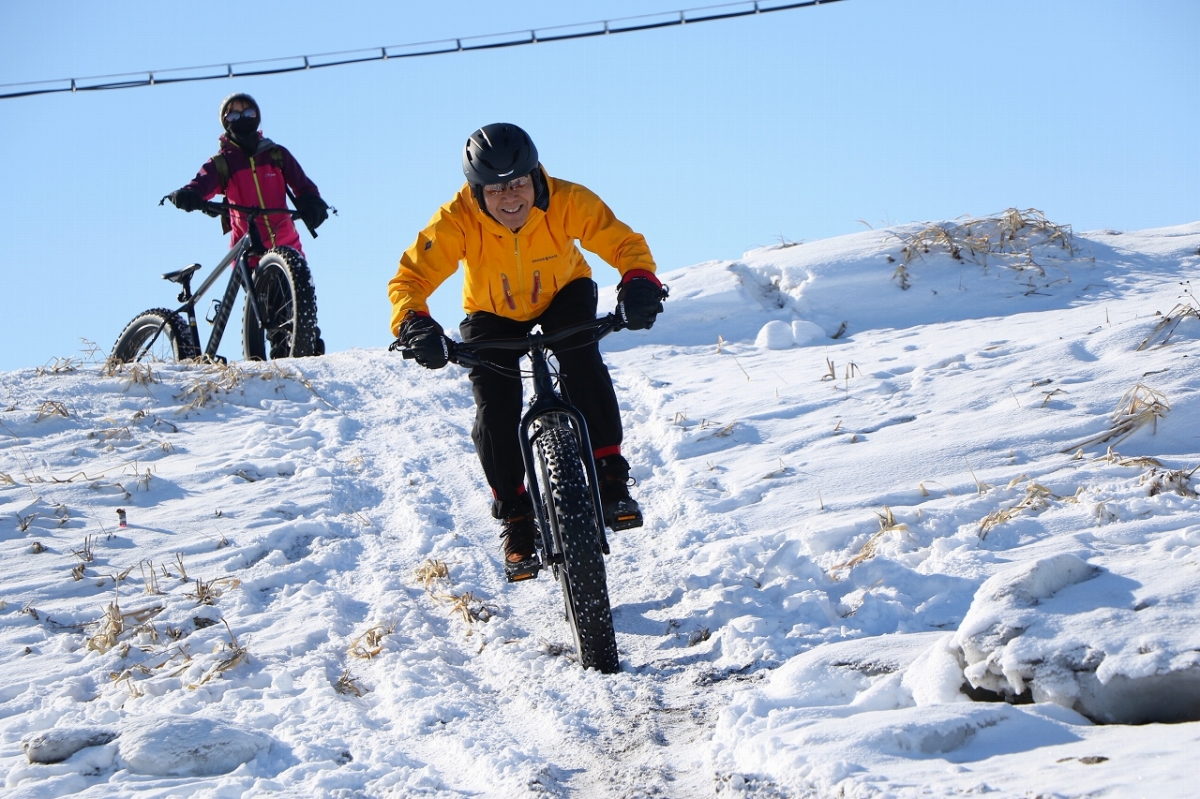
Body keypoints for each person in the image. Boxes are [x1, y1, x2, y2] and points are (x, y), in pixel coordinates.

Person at [388, 122, 666, 582]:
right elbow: (409, 280)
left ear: (536, 175)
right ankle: (517, 516)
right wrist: (415, 323)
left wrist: (639, 281)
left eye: (518, 182)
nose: (510, 197)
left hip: (564, 293)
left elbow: (623, 242)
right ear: (476, 192)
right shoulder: (455, 219)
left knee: (581, 359)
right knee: (494, 404)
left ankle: (611, 476)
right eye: (495, 189)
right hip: (491, 311)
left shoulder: (567, 199)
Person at [166, 93, 328, 257]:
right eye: (235, 115)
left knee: (300, 281)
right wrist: (190, 194)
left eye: (249, 113)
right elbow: (201, 183)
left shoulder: (276, 154)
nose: (243, 118)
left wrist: (312, 202)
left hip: (287, 246)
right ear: (226, 121)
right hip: (248, 250)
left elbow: (303, 185)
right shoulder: (223, 162)